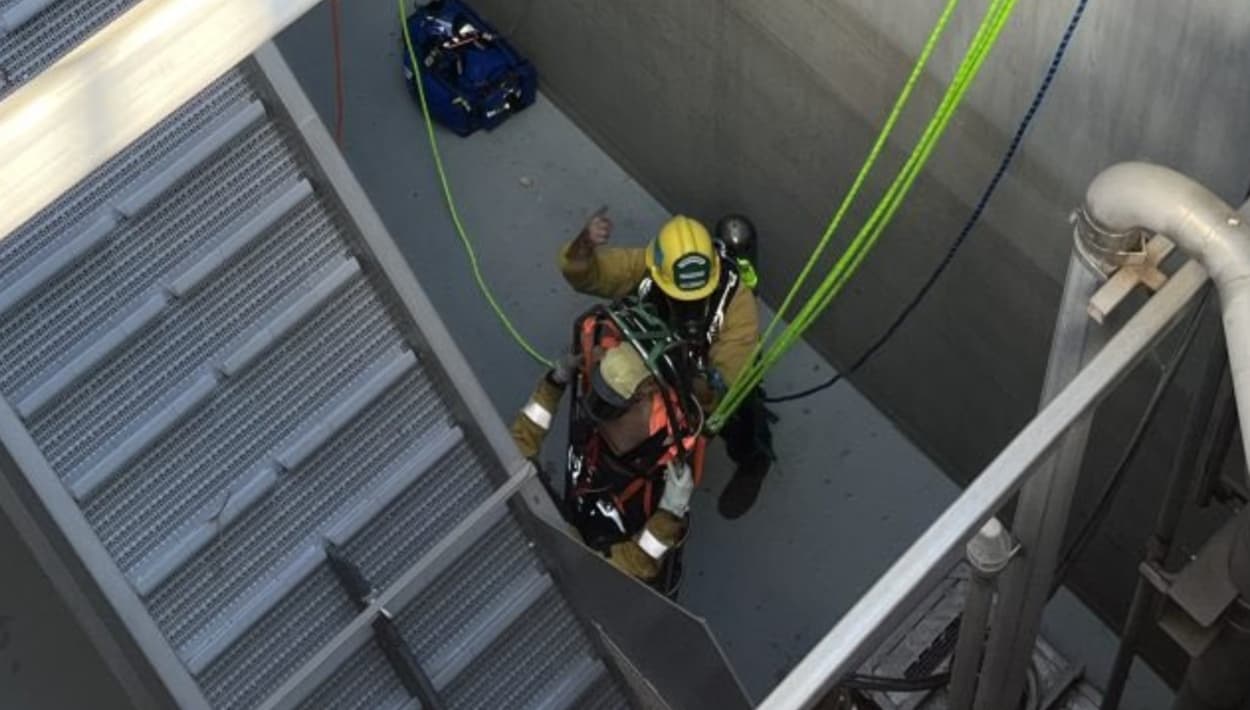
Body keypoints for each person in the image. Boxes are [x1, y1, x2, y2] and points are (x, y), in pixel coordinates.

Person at [558, 210, 775, 518]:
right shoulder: (646, 268)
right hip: (655, 368)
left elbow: (728, 378)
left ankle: (754, 460)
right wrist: (583, 246)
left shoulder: (738, 304)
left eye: (697, 297)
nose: (689, 304)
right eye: (680, 297)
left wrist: (684, 390)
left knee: (743, 410)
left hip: (702, 377)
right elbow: (589, 275)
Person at [511, 302, 700, 594]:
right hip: (607, 559)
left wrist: (552, 385)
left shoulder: (656, 454)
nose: (597, 415)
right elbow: (640, 562)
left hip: (593, 521)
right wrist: (669, 515)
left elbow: (518, 447)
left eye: (610, 406)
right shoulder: (574, 560)